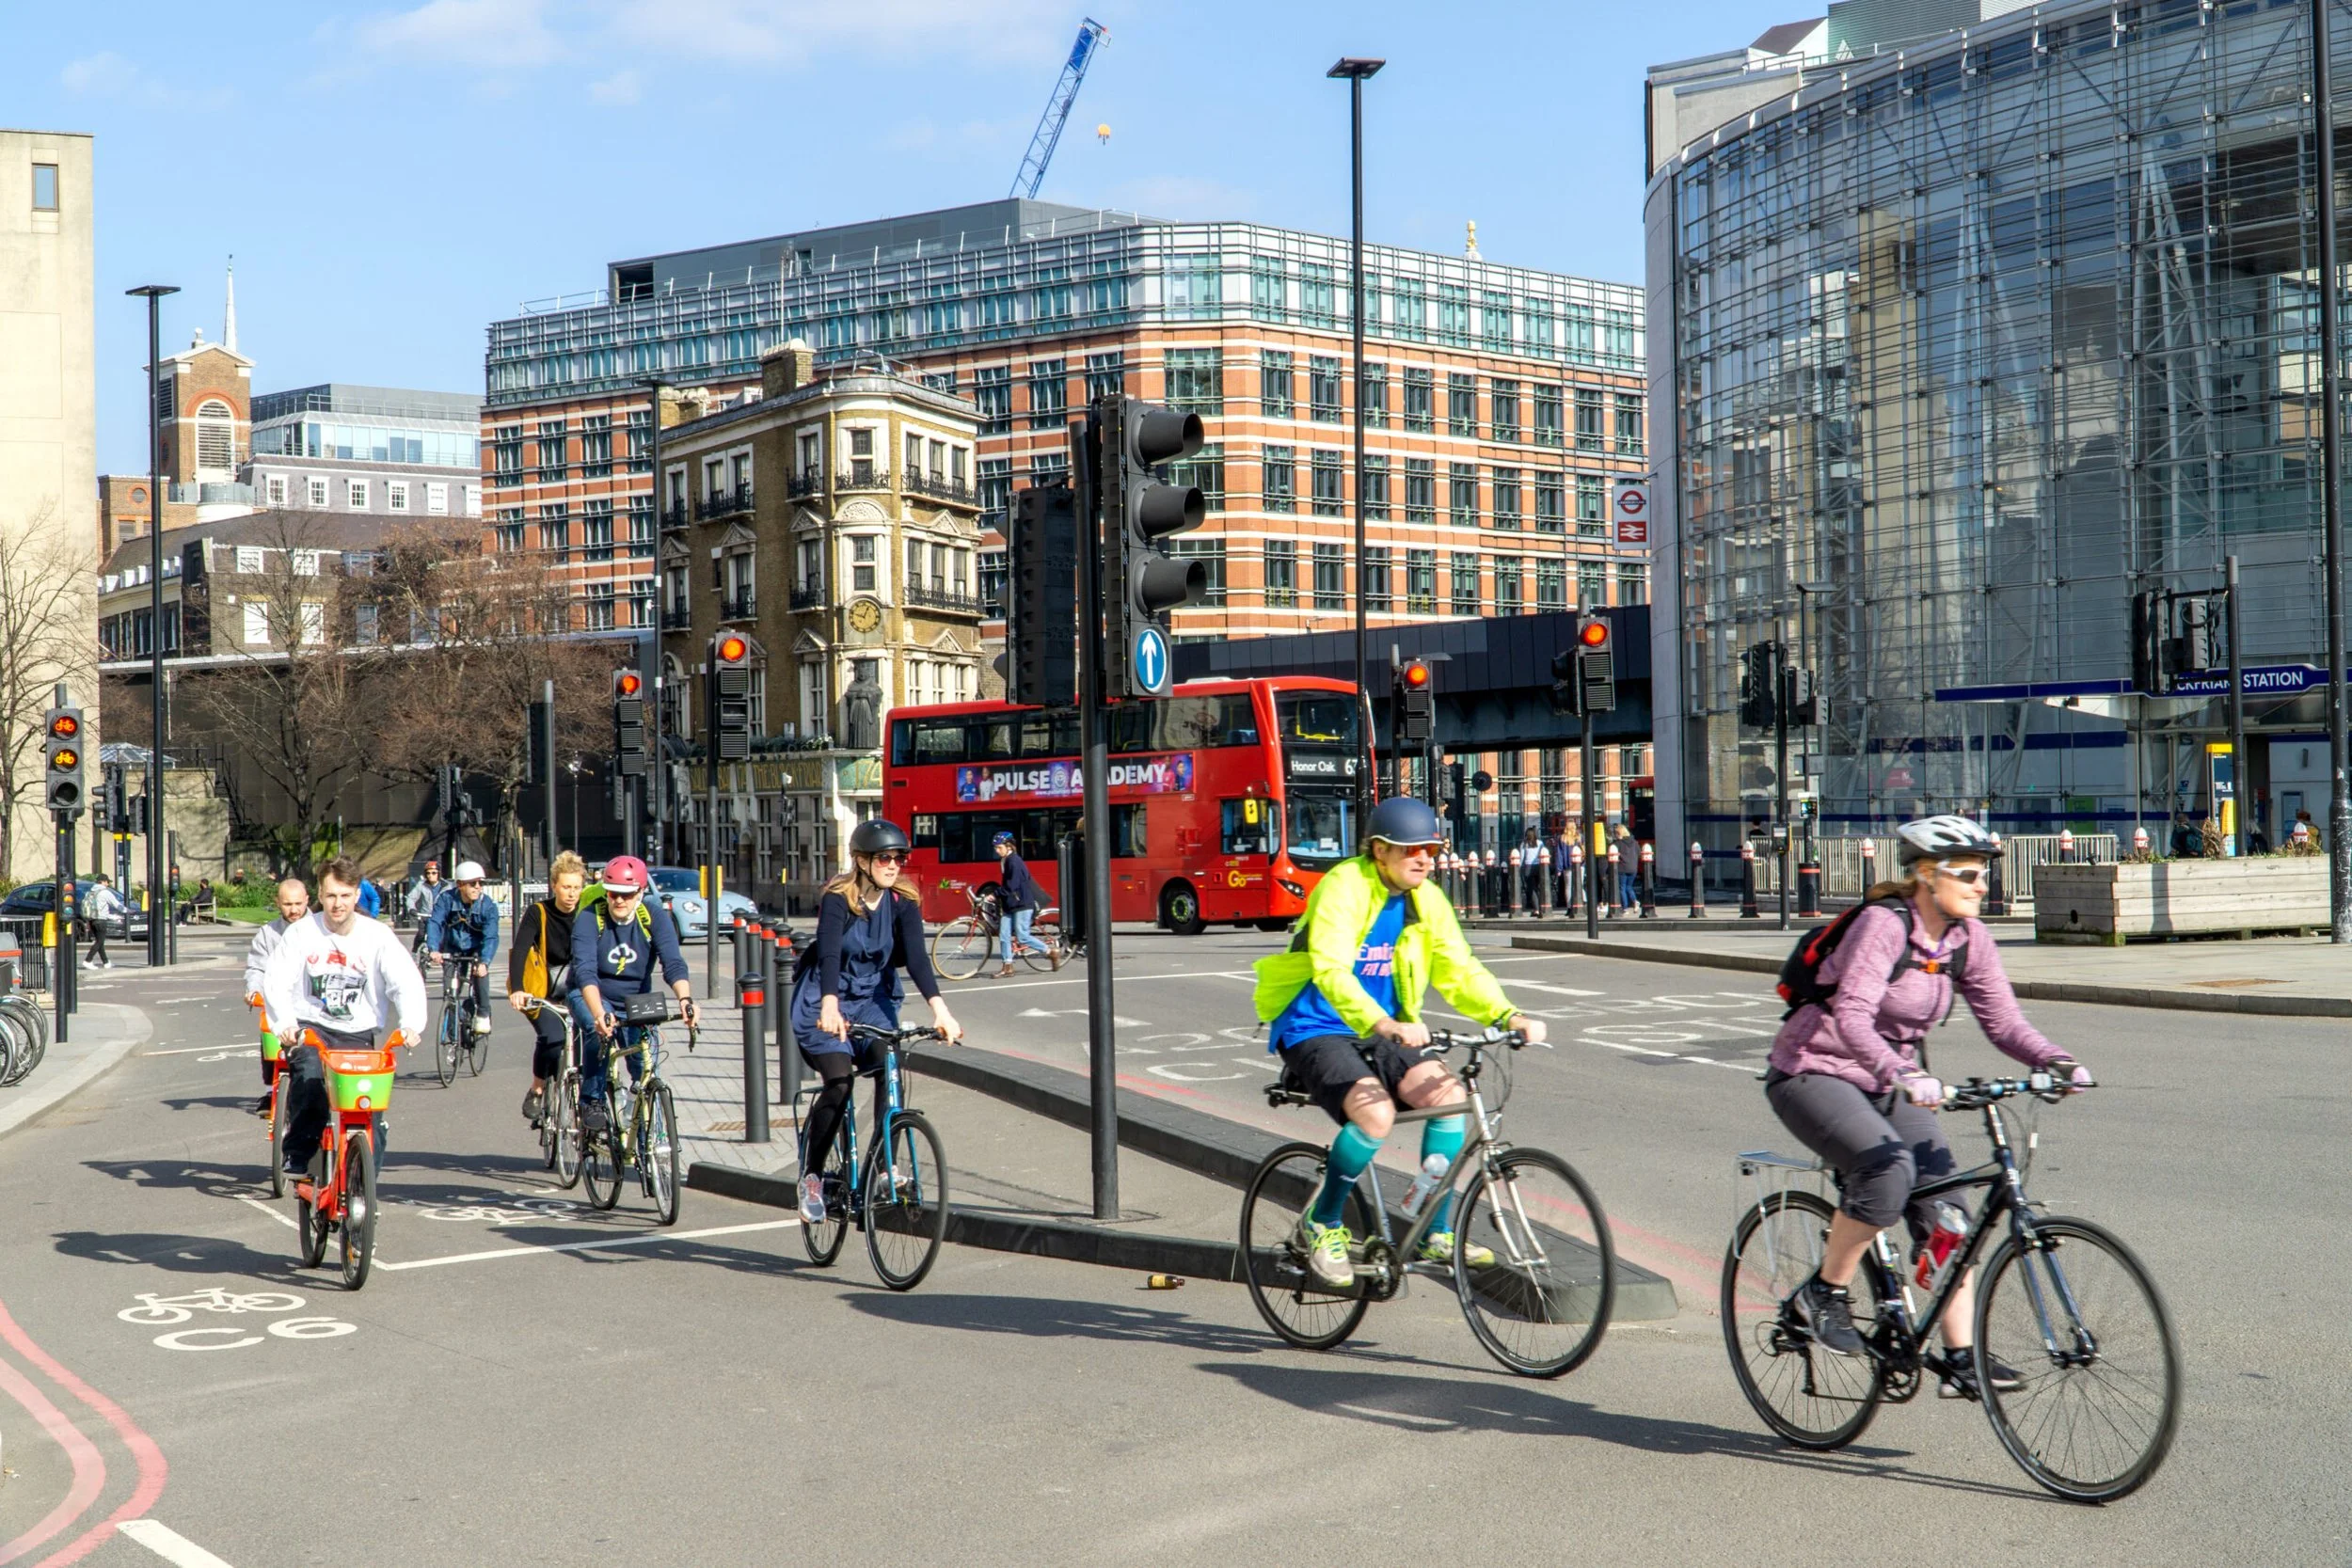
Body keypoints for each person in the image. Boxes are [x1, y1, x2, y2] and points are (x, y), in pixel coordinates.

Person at [1764, 814, 2090, 1400]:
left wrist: (2055, 1061)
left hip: (1893, 1080)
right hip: (1815, 1070)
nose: (1980, 885)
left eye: (1985, 874)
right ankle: (1824, 1294)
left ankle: (1961, 1358)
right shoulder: (1882, 927)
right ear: (1925, 875)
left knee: (1949, 1212)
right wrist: (1903, 1072)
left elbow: (2004, 1022)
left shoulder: (1969, 940)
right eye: (1967, 874)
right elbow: (1852, 1018)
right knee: (1887, 1170)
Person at [1250, 796, 1549, 1287]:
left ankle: (1435, 1229)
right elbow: (1329, 969)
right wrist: (1383, 1023)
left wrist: (1507, 1014)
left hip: (1383, 1025)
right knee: (1376, 1115)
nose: (1425, 859)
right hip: (1315, 1025)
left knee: (1450, 1099)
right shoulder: (1344, 887)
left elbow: (1459, 967)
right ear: (1380, 851)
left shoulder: (1425, 898)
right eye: (1413, 850)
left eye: (1432, 848)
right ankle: (1322, 1221)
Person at [787, 819, 962, 1225]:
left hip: (872, 997)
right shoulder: (838, 898)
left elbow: (917, 958)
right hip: (823, 998)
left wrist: (941, 1010)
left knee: (891, 1064)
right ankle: (811, 1178)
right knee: (840, 1081)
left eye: (900, 857)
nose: (894, 865)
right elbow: (830, 953)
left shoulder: (903, 901)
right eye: (885, 857)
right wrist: (829, 1005)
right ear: (862, 860)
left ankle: (885, 1168)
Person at [259, 857, 425, 1182]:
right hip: (312, 1028)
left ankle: (362, 1187)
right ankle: (298, 1152)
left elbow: (404, 980)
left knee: (369, 1109)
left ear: (357, 895)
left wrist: (410, 1025)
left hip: (357, 1033)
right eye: (331, 895)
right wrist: (286, 1025)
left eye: (345, 895)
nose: (338, 904)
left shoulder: (377, 936)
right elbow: (277, 980)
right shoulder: (302, 933)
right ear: (320, 894)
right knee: (309, 1080)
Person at [569, 855, 699, 1134]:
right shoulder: (591, 917)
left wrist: (686, 1001)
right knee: (598, 1031)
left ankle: (646, 1143)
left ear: (640, 892)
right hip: (591, 993)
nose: (618, 901)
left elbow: (673, 963)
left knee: (645, 1065)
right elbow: (585, 972)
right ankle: (591, 1100)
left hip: (635, 998)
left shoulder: (653, 916)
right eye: (613, 894)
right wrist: (599, 1013)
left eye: (627, 895)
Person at [509, 851, 586, 1125]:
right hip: (544, 994)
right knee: (553, 1039)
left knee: (588, 1043)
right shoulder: (538, 912)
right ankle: (538, 1088)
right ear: (554, 885)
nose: (571, 894)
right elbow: (519, 950)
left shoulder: (586, 914)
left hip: (580, 992)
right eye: (566, 887)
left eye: (577, 887)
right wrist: (518, 988)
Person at [242, 877, 311, 1115]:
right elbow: (257, 967)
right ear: (277, 903)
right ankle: (272, 1091)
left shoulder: (321, 928)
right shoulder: (268, 933)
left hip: (312, 1004)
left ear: (307, 901)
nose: (294, 910)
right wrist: (254, 989)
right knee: (270, 1040)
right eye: (287, 904)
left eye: (298, 904)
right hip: (279, 1002)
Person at [425, 860, 501, 1037]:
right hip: (453, 948)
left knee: (479, 973)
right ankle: (453, 1036)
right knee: (451, 993)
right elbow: (435, 923)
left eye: (480, 883)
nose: (477, 887)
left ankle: (483, 1013)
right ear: (459, 885)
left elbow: (491, 937)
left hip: (477, 948)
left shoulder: (487, 906)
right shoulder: (446, 899)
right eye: (472, 883)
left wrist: (485, 961)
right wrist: (433, 949)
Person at [990, 831, 1055, 976]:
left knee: (1022, 936)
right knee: (1004, 935)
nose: (997, 850)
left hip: (1022, 904)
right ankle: (1008, 966)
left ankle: (1050, 951)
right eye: (995, 848)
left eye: (999, 847)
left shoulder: (1014, 861)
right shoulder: (1006, 860)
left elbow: (1011, 886)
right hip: (1012, 904)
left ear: (1009, 846)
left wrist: (994, 894)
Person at [81, 875, 122, 969]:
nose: (108, 884)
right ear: (103, 882)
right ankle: (88, 960)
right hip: (101, 920)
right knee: (99, 942)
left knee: (100, 942)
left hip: (92, 919)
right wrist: (127, 910)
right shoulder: (105, 892)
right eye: (107, 882)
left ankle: (106, 962)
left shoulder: (90, 892)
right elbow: (116, 904)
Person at [405, 862, 443, 952]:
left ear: (439, 873)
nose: (430, 875)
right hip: (425, 916)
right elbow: (411, 898)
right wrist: (411, 909)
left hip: (441, 917)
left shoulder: (446, 886)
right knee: (421, 935)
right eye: (428, 873)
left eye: (434, 873)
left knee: (444, 937)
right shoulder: (421, 885)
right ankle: (415, 951)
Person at [1613, 821, 1640, 912]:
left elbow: (1612, 853)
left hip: (1622, 868)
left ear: (1619, 833)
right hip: (1633, 868)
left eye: (1616, 833)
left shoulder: (1618, 843)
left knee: (1622, 888)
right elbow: (1638, 853)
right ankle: (1635, 901)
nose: (1615, 835)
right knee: (1629, 887)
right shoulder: (1635, 842)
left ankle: (1625, 908)